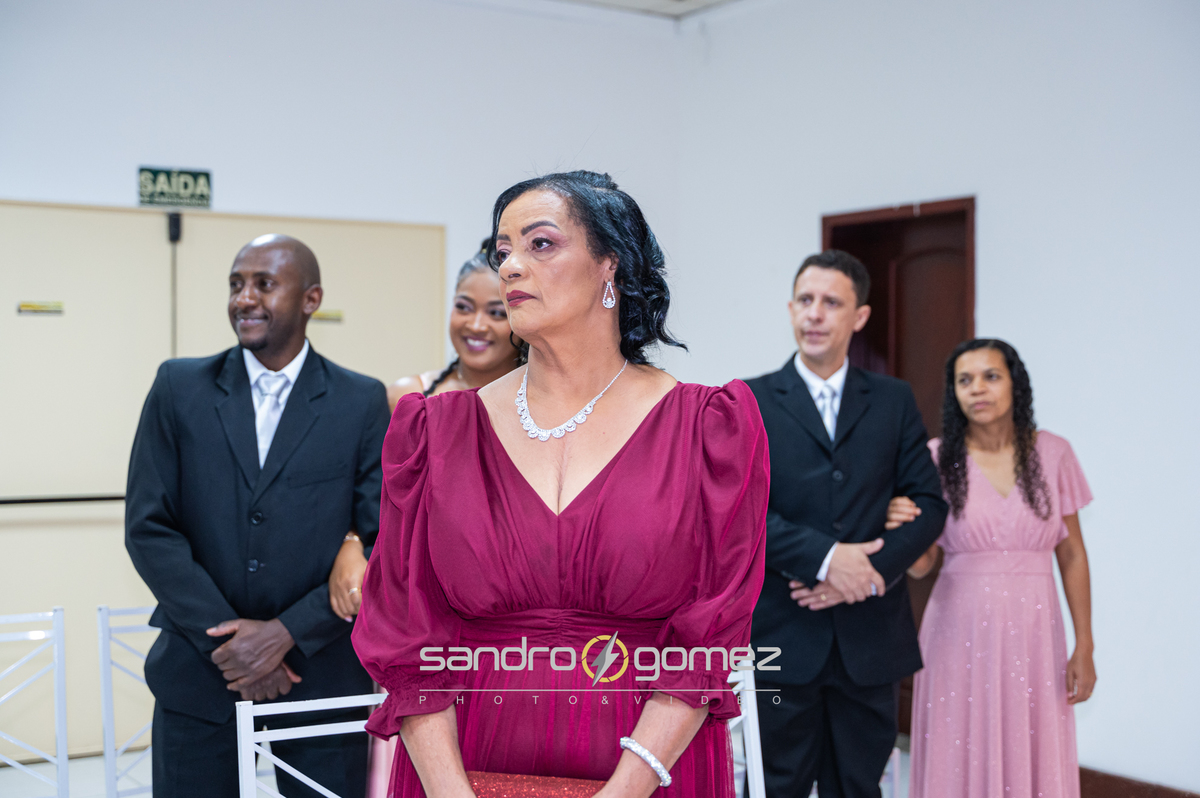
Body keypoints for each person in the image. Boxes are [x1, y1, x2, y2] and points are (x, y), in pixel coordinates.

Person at [352, 170, 770, 798]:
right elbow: (406, 630)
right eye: (503, 251)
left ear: (610, 265)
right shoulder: (434, 430)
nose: (511, 266)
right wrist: (450, 792)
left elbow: (710, 634)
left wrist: (625, 790)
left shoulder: (711, 428)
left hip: (652, 769)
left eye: (540, 244)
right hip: (459, 764)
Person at [125, 234, 390, 798]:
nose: (244, 299)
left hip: (319, 673)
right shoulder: (178, 388)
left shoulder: (360, 401)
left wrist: (285, 633)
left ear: (311, 298)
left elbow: (379, 538)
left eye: (264, 284)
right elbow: (149, 528)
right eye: (236, 285)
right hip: (200, 670)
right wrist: (233, 645)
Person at [744, 249, 949, 798]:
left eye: (832, 303)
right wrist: (830, 560)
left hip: (871, 638)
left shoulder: (893, 399)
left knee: (859, 788)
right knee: (774, 787)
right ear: (791, 308)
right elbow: (737, 514)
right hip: (782, 635)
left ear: (859, 316)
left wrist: (867, 573)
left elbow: (930, 505)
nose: (815, 313)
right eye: (805, 300)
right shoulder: (748, 400)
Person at [892, 339, 1095, 798]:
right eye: (964, 380)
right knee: (957, 746)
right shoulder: (936, 458)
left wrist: (1085, 644)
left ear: (1015, 384)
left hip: (1036, 635)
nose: (977, 388)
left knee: (1033, 742)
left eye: (991, 376)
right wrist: (903, 528)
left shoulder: (1055, 453)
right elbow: (922, 567)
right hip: (956, 634)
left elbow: (1073, 555)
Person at [383, 240, 524, 411]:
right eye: (464, 307)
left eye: (496, 312)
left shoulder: (542, 405)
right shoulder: (407, 396)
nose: (476, 326)